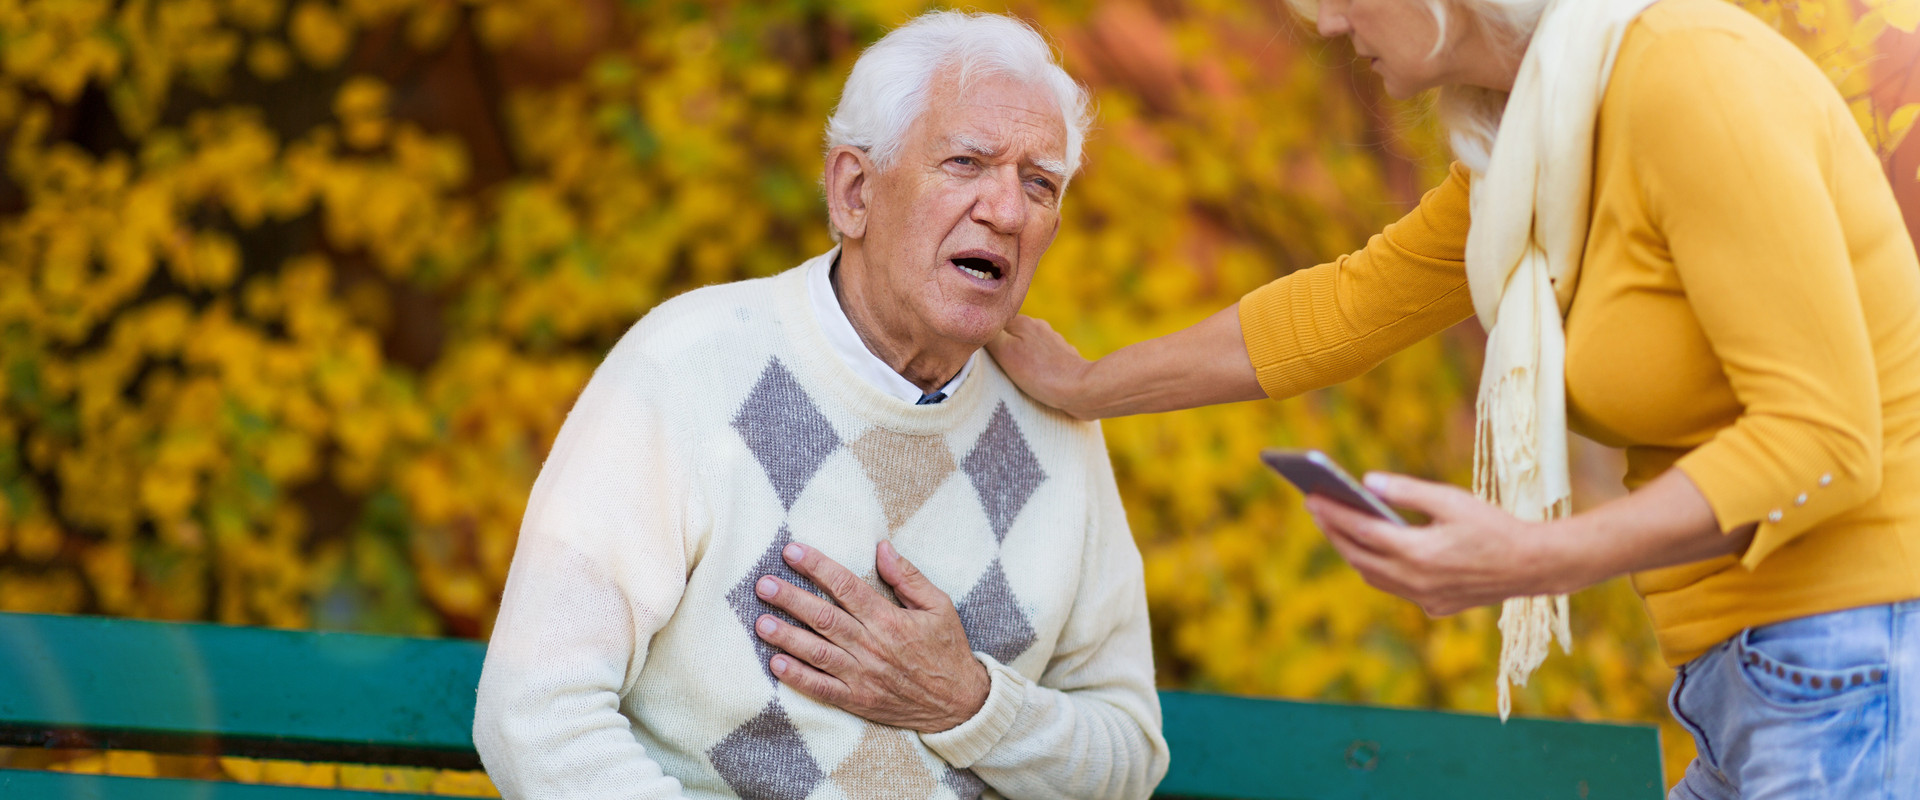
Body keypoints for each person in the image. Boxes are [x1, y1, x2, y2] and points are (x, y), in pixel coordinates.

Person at [986, 0, 1920, 796]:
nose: (1332, 21)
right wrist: (1089, 385)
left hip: (1858, 651)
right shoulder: (1532, 149)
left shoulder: (1689, 76)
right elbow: (1346, 307)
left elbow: (1824, 440)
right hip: (1757, 673)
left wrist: (1539, 555)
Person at [472, 11, 1169, 800]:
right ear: (854, 192)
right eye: (967, 163)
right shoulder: (687, 367)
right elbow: (535, 712)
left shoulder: (1056, 425)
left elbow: (1127, 759)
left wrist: (971, 703)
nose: (1006, 212)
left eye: (1039, 182)